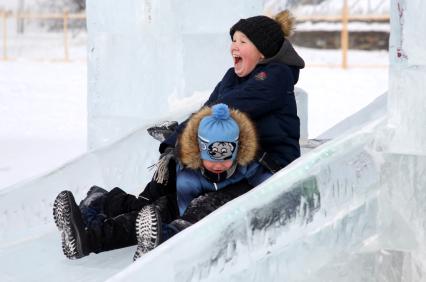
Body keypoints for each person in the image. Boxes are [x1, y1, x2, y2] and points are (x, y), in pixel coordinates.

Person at [53, 9, 304, 261]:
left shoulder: (275, 76)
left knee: (201, 207)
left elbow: (226, 108)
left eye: (242, 42)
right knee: (162, 207)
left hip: (266, 170)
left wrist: (181, 137)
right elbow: (205, 109)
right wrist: (174, 144)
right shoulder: (233, 77)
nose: (233, 47)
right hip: (227, 165)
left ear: (262, 51)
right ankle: (88, 237)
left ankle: (156, 236)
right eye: (233, 40)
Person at [132, 103, 270, 259]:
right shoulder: (189, 176)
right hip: (202, 215)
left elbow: (269, 185)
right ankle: (160, 239)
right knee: (194, 209)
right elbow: (186, 209)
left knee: (215, 201)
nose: (218, 165)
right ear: (201, 152)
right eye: (212, 160)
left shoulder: (247, 165)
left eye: (225, 160)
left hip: (237, 214)